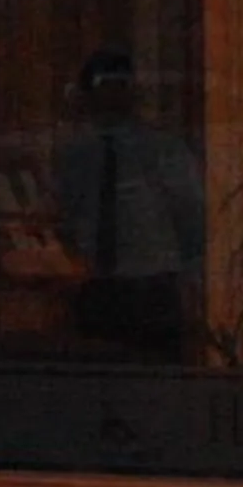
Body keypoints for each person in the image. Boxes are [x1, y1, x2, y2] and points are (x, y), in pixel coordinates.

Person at [49, 50, 207, 361]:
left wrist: (189, 279)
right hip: (95, 288)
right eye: (103, 85)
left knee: (154, 382)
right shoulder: (74, 154)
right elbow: (66, 215)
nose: (112, 94)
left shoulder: (163, 150)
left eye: (120, 85)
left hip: (152, 287)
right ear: (87, 94)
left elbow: (191, 218)